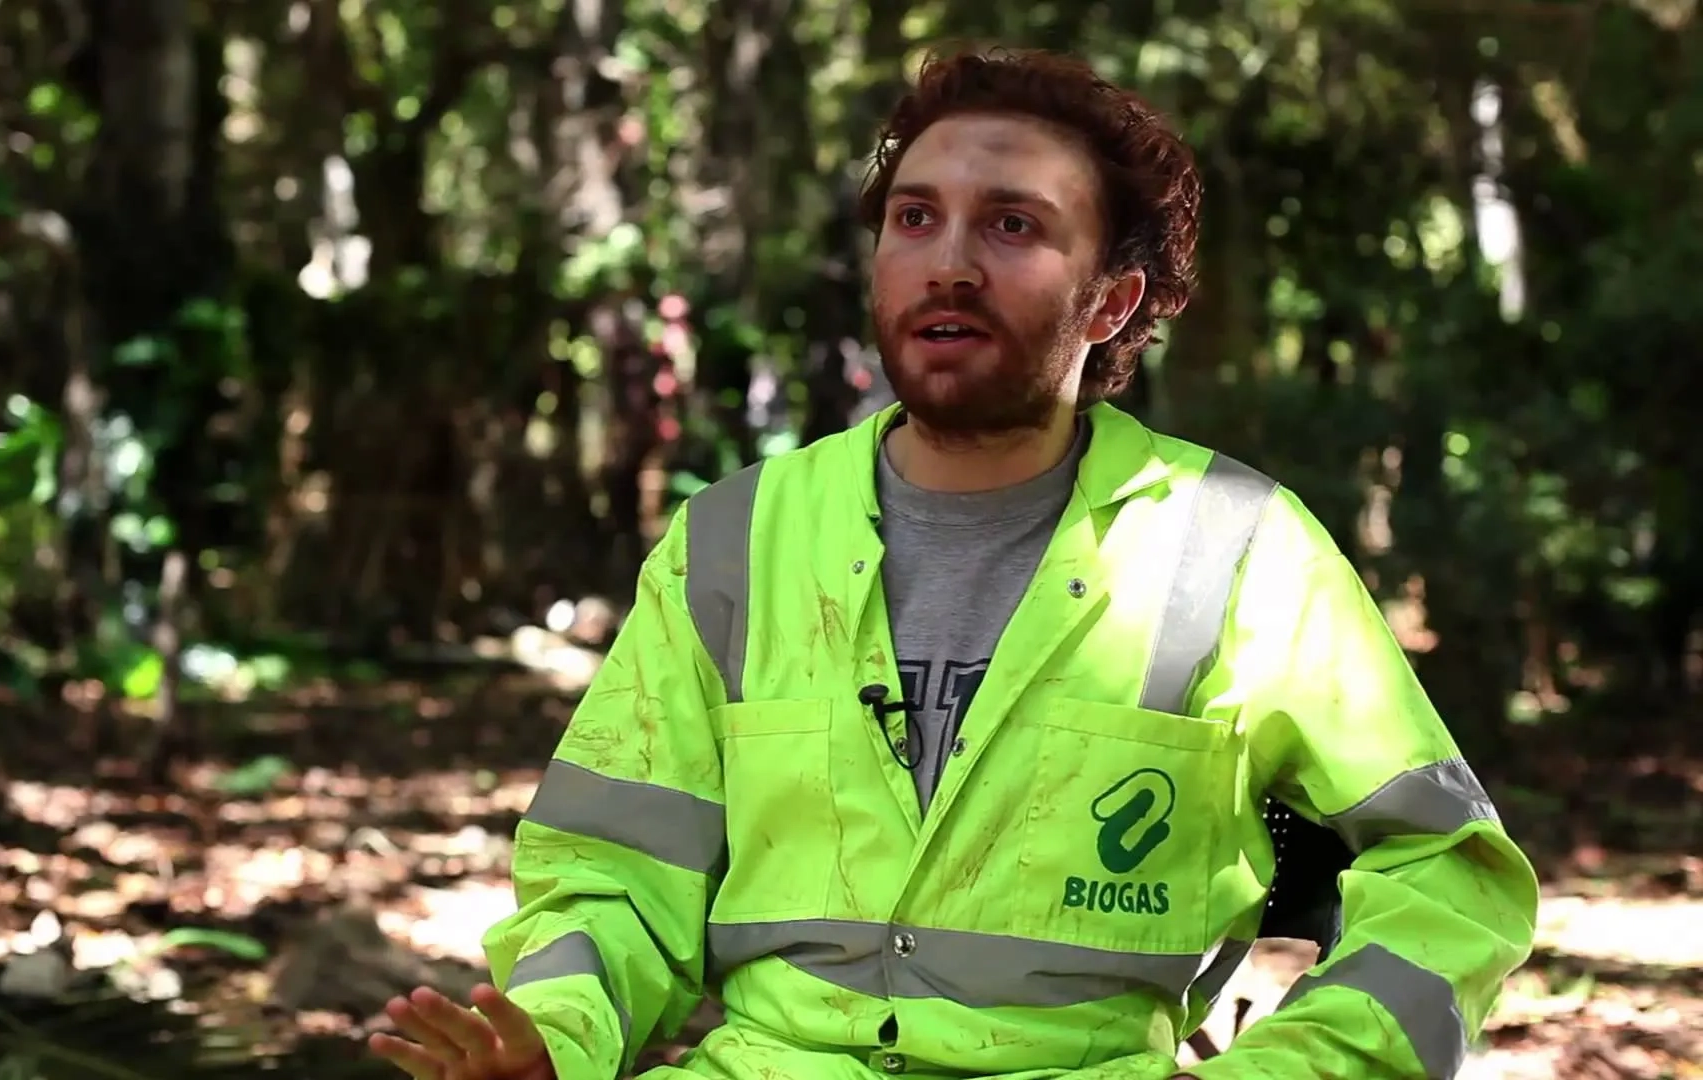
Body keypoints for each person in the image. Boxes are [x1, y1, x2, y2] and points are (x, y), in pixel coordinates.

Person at [368, 45, 1539, 1080]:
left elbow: (1451, 876)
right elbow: (610, 872)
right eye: (914, 218)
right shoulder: (734, 538)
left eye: (1014, 225)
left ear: (1111, 302)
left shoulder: (1235, 546)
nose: (950, 263)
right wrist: (554, 1040)